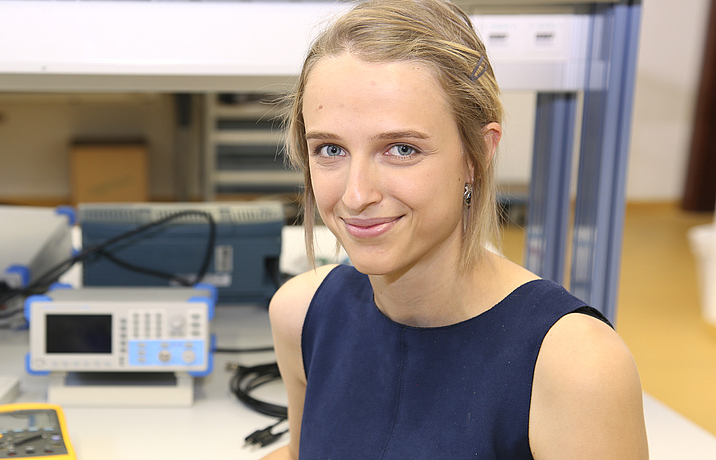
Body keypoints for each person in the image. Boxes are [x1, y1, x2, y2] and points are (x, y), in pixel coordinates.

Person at [264, 0, 649, 458]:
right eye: (330, 149)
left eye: (401, 149)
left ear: (477, 155)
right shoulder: (302, 314)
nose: (355, 195)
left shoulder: (576, 365)